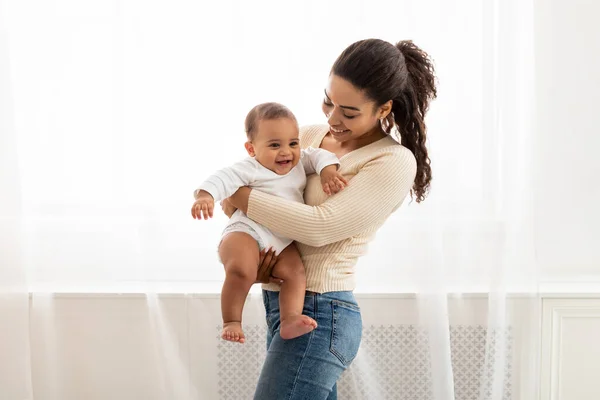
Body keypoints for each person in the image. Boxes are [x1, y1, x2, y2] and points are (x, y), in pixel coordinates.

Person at [221, 39, 437, 399]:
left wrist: (240, 193)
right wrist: (253, 256)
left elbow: (319, 226)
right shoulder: (305, 137)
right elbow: (232, 207)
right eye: (328, 101)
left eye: (349, 112)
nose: (332, 119)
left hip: (323, 311)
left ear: (383, 109)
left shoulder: (392, 162)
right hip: (281, 305)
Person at [191, 102, 348, 344]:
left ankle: (290, 319)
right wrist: (205, 196)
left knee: (295, 273)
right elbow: (222, 178)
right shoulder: (249, 168)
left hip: (281, 240)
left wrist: (328, 170)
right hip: (247, 231)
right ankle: (231, 320)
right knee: (242, 270)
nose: (286, 152)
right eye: (275, 145)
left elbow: (320, 155)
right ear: (251, 149)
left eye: (293, 143)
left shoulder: (299, 163)